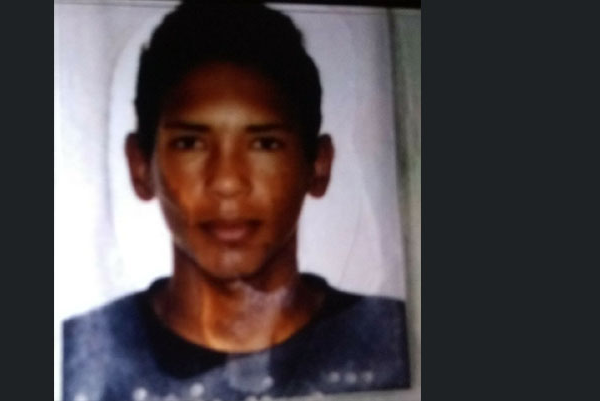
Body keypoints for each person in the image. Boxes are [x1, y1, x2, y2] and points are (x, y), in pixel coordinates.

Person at [63, 2, 409, 400]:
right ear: (141, 167)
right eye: (190, 143)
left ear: (318, 165)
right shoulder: (78, 359)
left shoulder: (393, 338)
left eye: (265, 144)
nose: (227, 182)